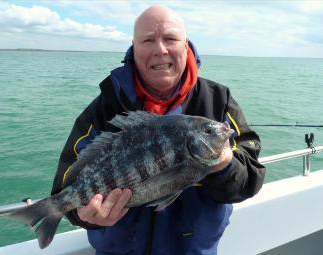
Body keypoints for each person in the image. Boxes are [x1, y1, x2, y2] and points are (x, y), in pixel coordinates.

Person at [51, 5, 265, 255]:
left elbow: (251, 179)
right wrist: (85, 216)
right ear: (134, 47)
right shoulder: (103, 109)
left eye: (171, 39)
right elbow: (65, 188)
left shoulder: (218, 101)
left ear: (186, 46)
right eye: (148, 40)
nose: (160, 49)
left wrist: (224, 165)